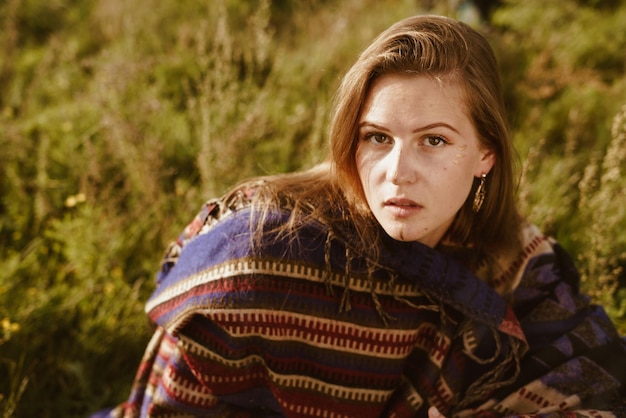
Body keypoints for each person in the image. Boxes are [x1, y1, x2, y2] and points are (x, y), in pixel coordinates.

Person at [94, 15, 626, 418]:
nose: (398, 172)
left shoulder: (513, 258)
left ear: (486, 154)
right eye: (378, 137)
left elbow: (582, 368)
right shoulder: (263, 257)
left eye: (434, 141)